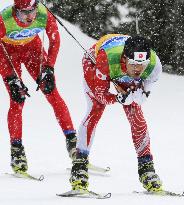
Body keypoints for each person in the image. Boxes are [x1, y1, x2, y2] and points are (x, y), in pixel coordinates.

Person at [70, 34, 163, 193]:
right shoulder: (107, 59)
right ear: (125, 58)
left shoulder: (154, 66)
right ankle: (79, 167)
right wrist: (118, 98)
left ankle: (147, 168)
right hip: (96, 62)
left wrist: (139, 96)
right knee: (96, 108)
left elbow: (143, 95)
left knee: (135, 113)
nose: (138, 69)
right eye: (134, 64)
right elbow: (100, 94)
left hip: (119, 68)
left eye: (143, 64)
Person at [0, 0, 77, 174]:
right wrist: (11, 78)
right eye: (22, 13)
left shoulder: (43, 13)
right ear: (15, 11)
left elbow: (55, 40)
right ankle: (17, 151)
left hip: (32, 50)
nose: (28, 17)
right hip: (7, 53)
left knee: (52, 93)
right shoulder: (4, 19)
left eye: (31, 12)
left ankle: (72, 142)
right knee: (17, 100)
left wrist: (49, 67)